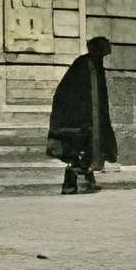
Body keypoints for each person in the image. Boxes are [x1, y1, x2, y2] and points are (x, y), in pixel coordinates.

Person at [48, 36, 117, 194]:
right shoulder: (82, 65)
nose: (102, 57)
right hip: (77, 118)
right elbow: (69, 92)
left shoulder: (96, 66)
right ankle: (69, 185)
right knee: (76, 152)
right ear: (94, 50)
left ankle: (88, 182)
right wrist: (81, 116)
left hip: (92, 117)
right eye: (100, 53)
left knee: (90, 150)